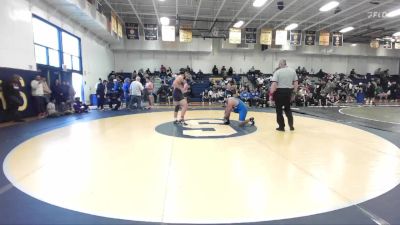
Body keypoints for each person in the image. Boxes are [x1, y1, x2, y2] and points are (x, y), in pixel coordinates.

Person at [269, 59, 298, 131]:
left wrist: (271, 96)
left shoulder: (277, 72)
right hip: (288, 92)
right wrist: (294, 93)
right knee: (288, 109)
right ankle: (291, 126)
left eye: (279, 64)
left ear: (280, 64)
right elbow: (296, 83)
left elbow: (274, 84)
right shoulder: (292, 71)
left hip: (279, 92)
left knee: (279, 110)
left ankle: (281, 127)